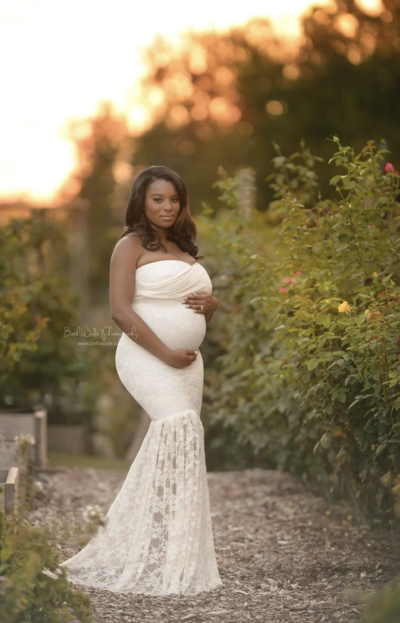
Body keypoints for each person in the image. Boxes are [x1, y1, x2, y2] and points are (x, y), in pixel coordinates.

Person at [60, 165, 224, 596]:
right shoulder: (129, 245)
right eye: (158, 199)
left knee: (183, 447)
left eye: (173, 199)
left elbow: (199, 310)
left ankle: (177, 557)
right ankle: (128, 548)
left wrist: (210, 306)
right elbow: (119, 310)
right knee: (179, 429)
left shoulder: (183, 245)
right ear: (141, 201)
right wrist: (166, 353)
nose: (167, 207)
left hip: (188, 364)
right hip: (146, 357)